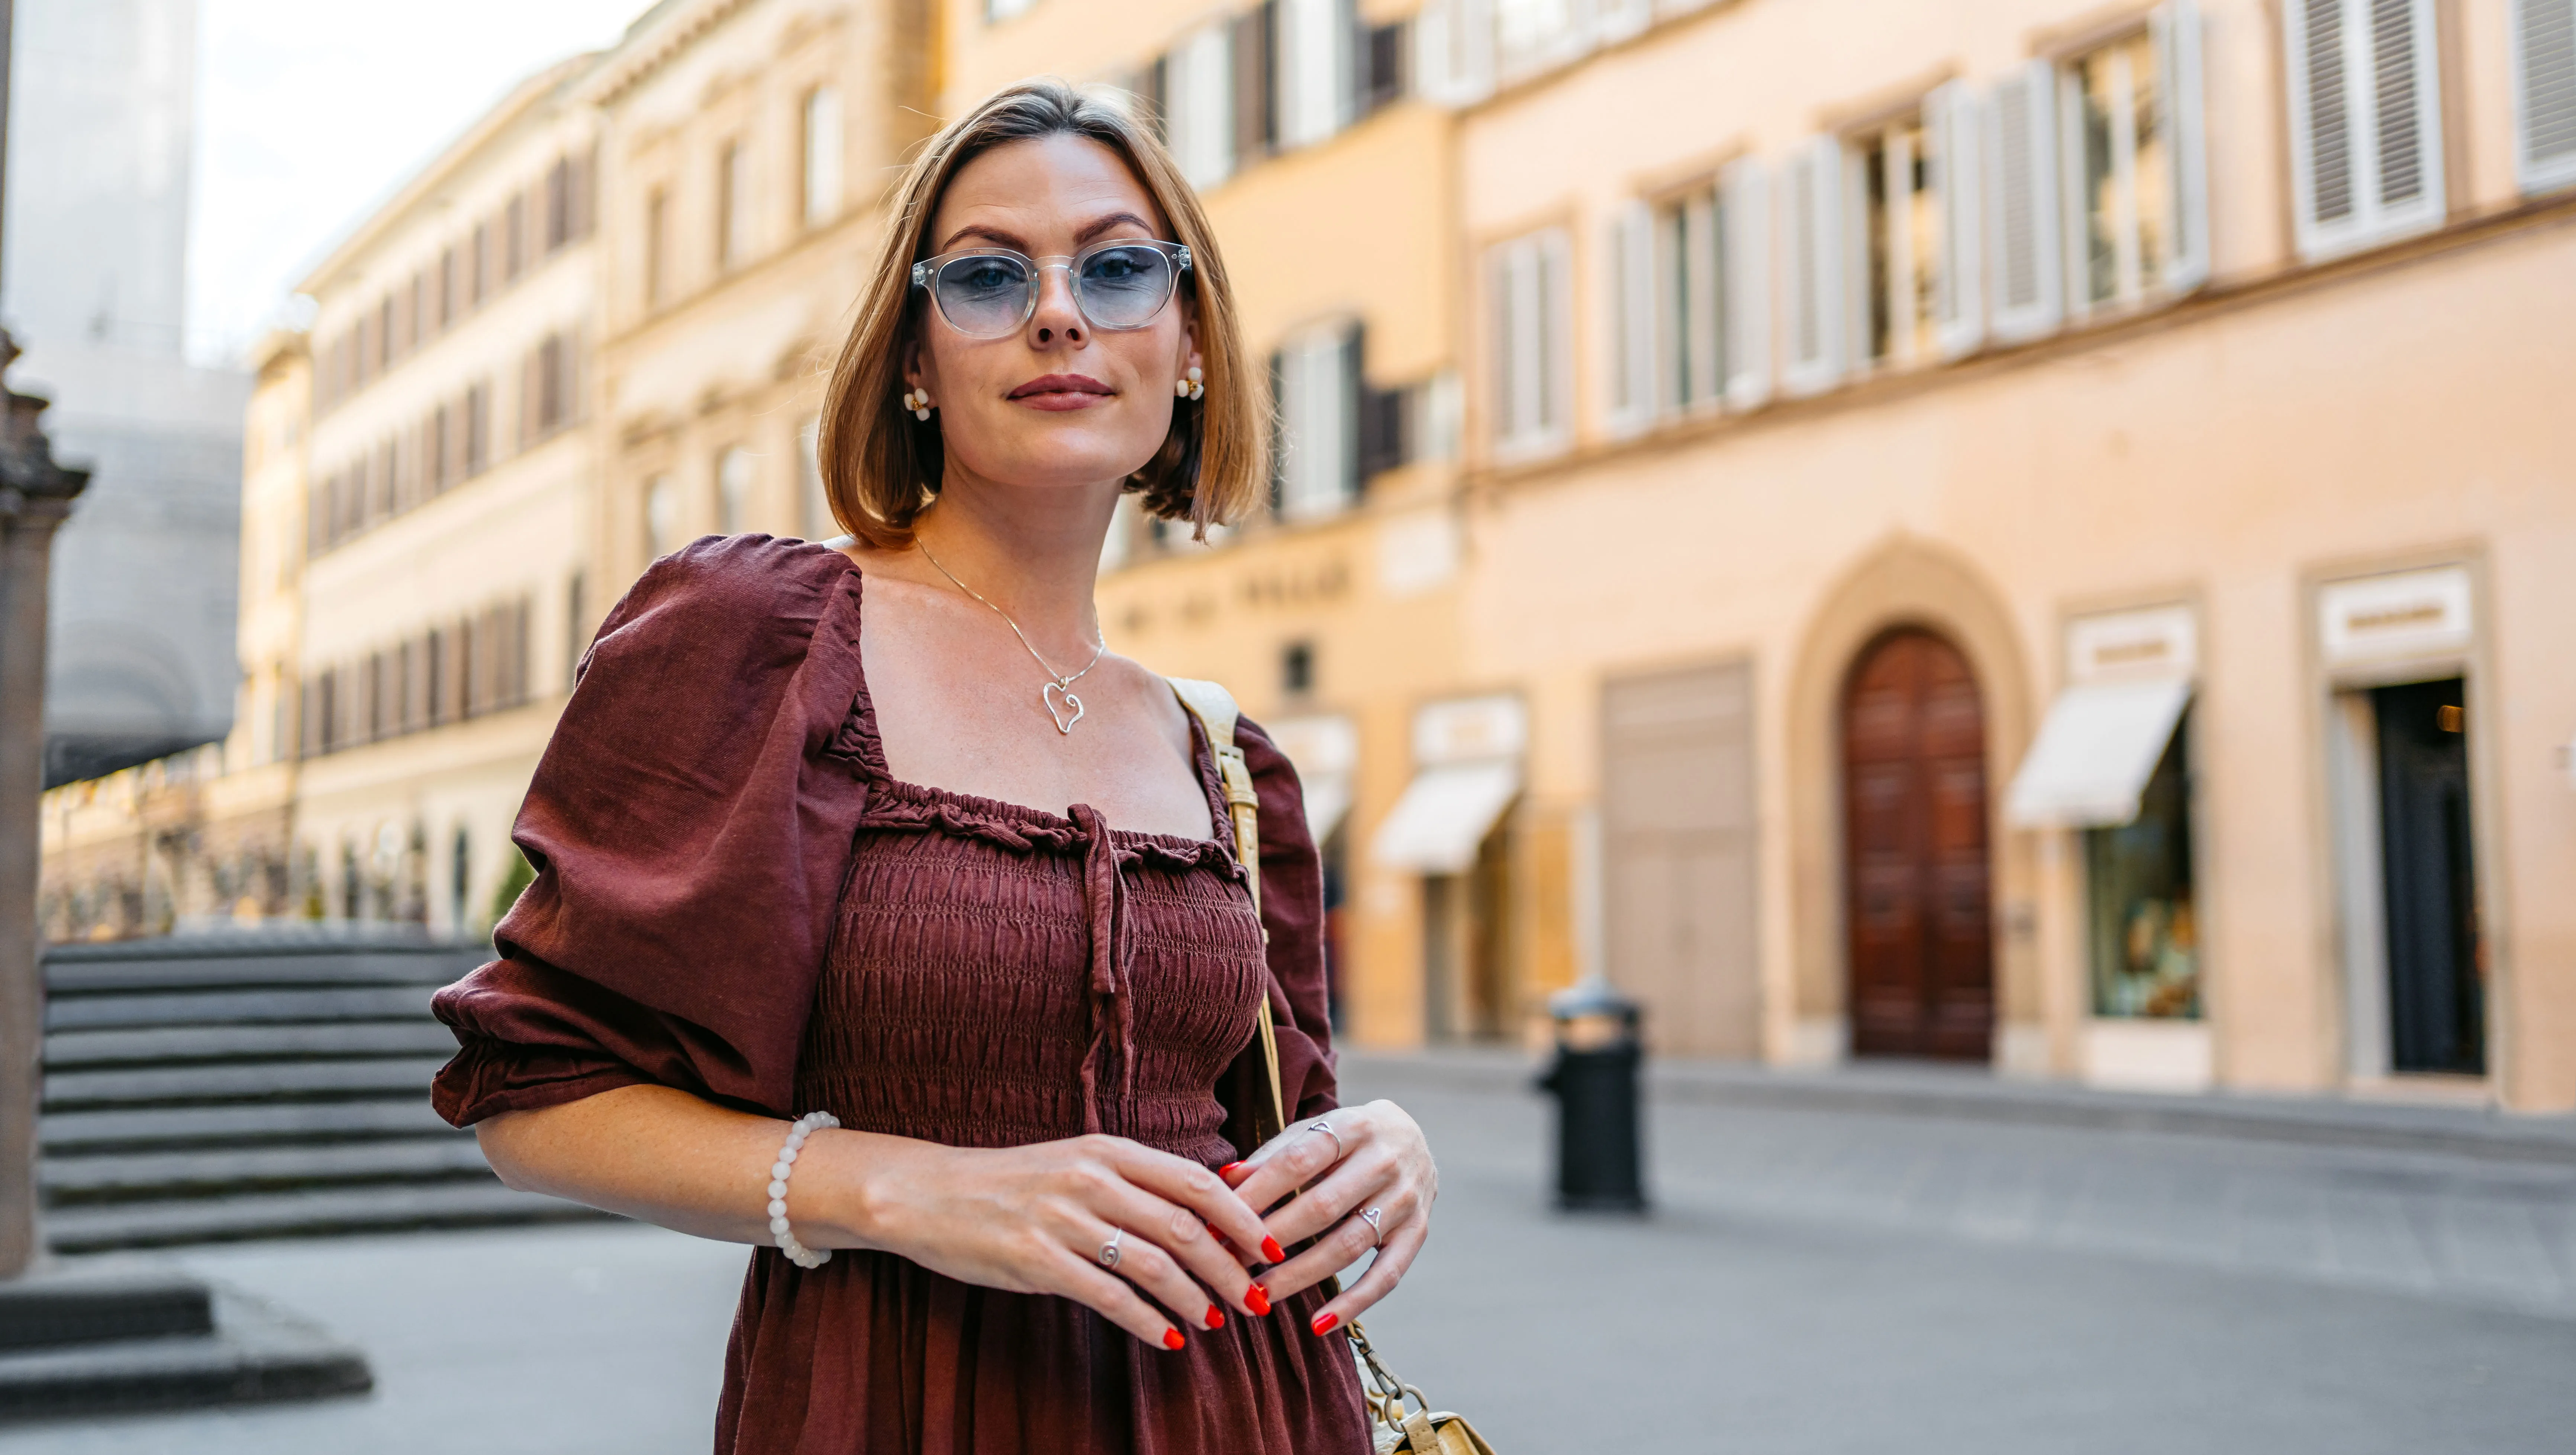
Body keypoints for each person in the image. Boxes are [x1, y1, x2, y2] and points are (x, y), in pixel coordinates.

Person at [428, 78, 1437, 1454]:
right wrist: (908, 1191)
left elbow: (1269, 1131)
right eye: (985, 277)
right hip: (900, 1403)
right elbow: (531, 1097)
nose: (1059, 311)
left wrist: (1376, 1153)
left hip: (1241, 1412)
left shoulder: (1223, 755)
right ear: (913, 357)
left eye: (1121, 265)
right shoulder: (765, 642)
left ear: (1188, 342)